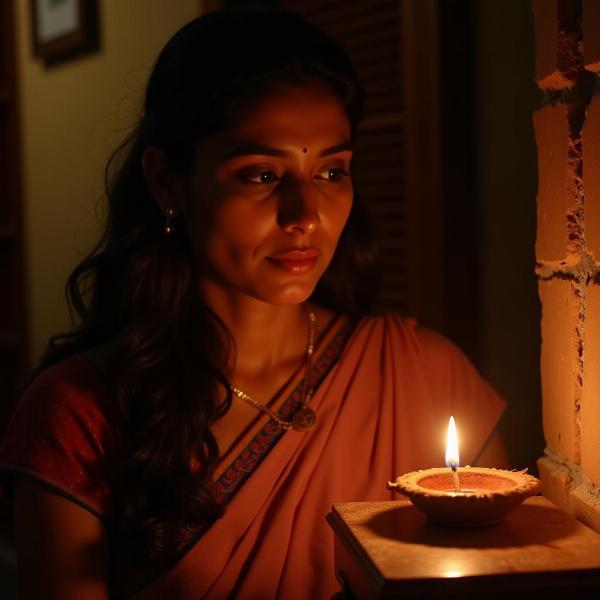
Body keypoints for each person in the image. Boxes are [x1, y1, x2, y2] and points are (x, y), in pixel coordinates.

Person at [0, 7, 507, 599]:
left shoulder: (423, 375)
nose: (306, 216)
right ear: (167, 181)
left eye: (332, 171)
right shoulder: (82, 413)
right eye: (262, 176)